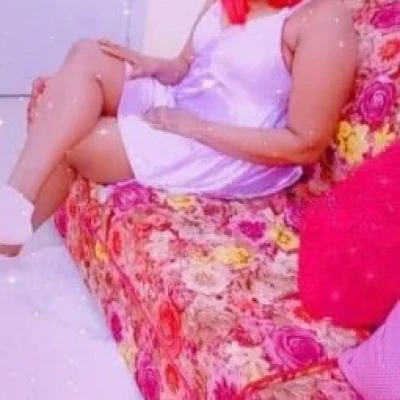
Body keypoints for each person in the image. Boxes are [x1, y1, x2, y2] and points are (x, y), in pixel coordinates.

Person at [0, 0, 357, 256]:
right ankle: (14, 203)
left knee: (80, 141)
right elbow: (187, 66)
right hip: (186, 103)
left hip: (233, 147)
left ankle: (8, 232)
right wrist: (152, 65)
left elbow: (304, 144)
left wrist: (198, 129)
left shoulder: (322, 19)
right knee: (87, 53)